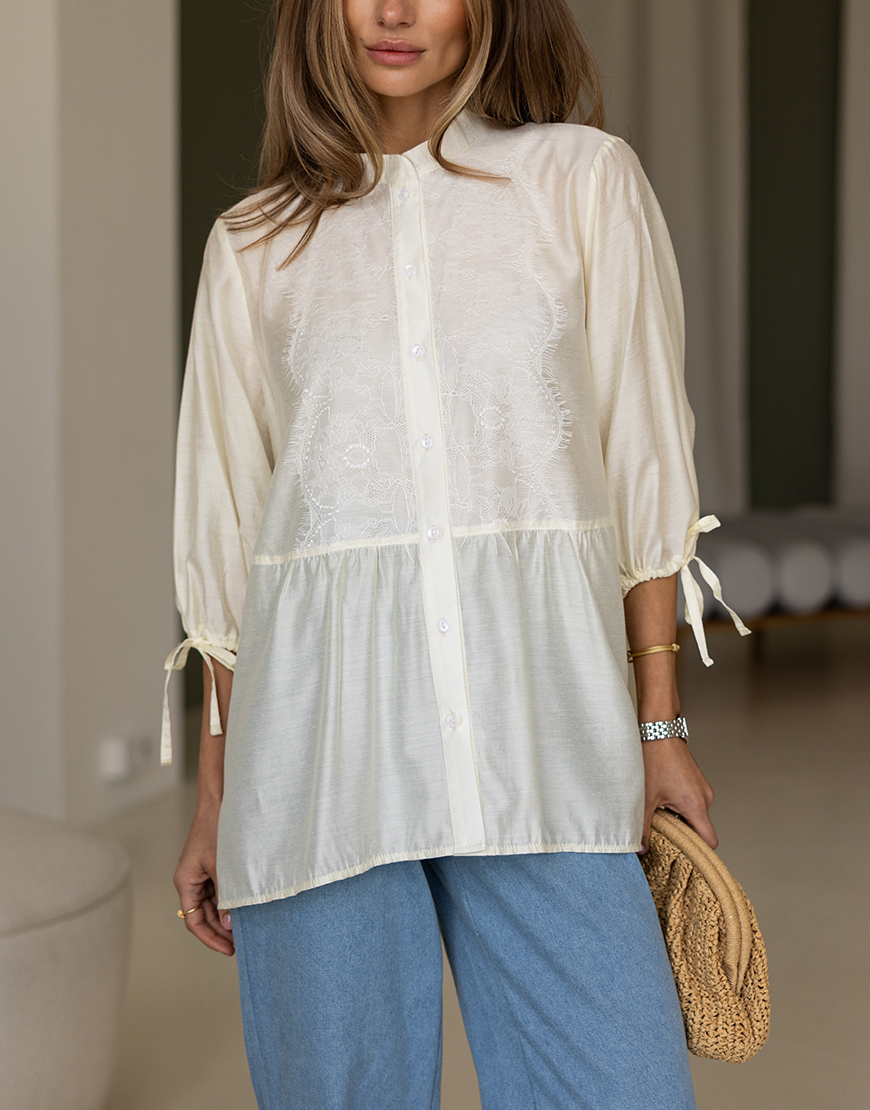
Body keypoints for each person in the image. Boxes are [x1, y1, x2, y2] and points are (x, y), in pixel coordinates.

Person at [166, 1, 746, 1106]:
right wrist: (216, 794)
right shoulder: (254, 242)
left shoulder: (582, 182)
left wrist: (660, 728)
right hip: (317, 769)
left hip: (543, 742)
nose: (393, 11)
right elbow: (230, 549)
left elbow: (642, 466)